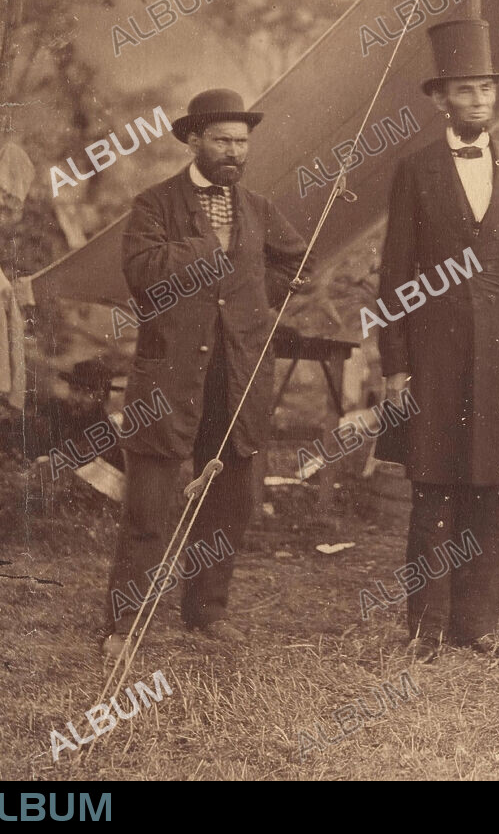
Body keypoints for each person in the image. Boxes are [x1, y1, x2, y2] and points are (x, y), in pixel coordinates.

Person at [101, 89, 307, 657]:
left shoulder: (260, 209)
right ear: (194, 140)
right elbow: (142, 272)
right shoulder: (154, 204)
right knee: (150, 504)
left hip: (237, 376)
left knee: (228, 499)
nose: (233, 151)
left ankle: (207, 612)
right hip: (168, 380)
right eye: (222, 139)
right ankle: (124, 624)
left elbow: (295, 259)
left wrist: (255, 300)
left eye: (241, 141)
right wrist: (205, 248)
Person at [377, 19, 499, 664]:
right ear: (441, 99)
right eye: (465, 91)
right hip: (433, 358)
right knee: (432, 489)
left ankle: (476, 626)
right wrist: (395, 364)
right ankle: (423, 626)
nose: (479, 101)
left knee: (490, 490)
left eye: (486, 90)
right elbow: (394, 273)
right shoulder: (415, 170)